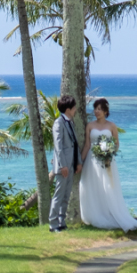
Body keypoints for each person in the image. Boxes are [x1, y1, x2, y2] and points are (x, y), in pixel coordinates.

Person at [79, 97, 137, 231]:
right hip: (92, 160)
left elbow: (117, 144)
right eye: (95, 109)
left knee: (108, 186)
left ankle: (111, 214)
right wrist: (80, 162)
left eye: (100, 109)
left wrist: (109, 151)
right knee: (93, 187)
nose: (97, 111)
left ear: (106, 111)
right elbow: (86, 145)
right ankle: (96, 214)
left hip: (107, 161)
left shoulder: (112, 126)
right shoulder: (90, 125)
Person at [49, 93, 82, 232]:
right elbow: (58, 145)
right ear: (68, 109)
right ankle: (53, 224)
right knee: (59, 195)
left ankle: (62, 221)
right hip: (63, 166)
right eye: (74, 107)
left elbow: (75, 144)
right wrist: (63, 165)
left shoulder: (70, 123)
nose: (75, 110)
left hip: (71, 164)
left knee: (66, 195)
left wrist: (78, 162)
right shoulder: (59, 122)